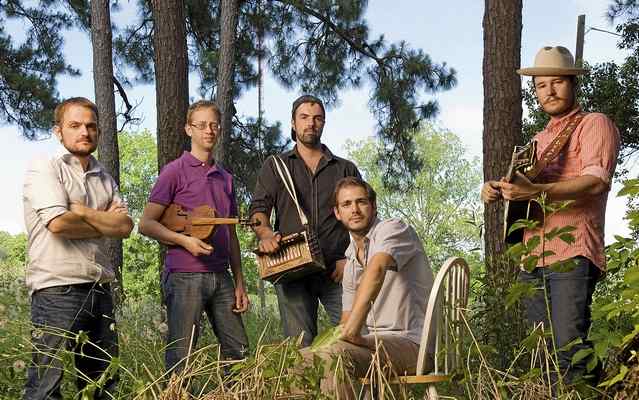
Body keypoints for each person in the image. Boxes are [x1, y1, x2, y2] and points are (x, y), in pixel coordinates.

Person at [481, 46, 620, 383]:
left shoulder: (594, 123)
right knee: (540, 354)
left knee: (569, 349)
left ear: (573, 84)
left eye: (557, 82)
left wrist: (535, 192)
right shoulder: (538, 140)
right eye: (542, 85)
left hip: (571, 250)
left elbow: (594, 183)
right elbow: (524, 189)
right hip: (532, 256)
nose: (550, 91)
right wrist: (498, 189)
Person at [22, 97, 134, 399]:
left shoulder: (104, 177)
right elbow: (59, 224)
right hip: (57, 290)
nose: (84, 131)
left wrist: (82, 211)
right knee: (45, 387)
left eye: (91, 125)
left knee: (103, 384)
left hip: (100, 290)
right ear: (58, 131)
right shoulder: (44, 167)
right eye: (75, 125)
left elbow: (125, 227)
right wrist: (104, 221)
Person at [138, 100, 249, 374]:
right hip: (184, 275)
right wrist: (184, 241)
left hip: (221, 275)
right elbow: (146, 224)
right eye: (201, 125)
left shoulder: (226, 179)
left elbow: (231, 234)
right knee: (181, 357)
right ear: (189, 129)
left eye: (214, 125)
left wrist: (239, 282)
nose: (208, 130)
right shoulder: (174, 171)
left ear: (220, 130)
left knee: (239, 353)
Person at [300, 176, 434, 399]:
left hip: (413, 344)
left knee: (335, 357)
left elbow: (377, 269)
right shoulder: (351, 259)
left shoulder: (392, 229)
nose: (355, 209)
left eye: (361, 202)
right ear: (337, 213)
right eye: (346, 204)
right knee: (300, 361)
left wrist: (351, 331)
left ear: (373, 206)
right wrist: (330, 341)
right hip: (373, 345)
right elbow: (345, 320)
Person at [249, 95, 362, 347]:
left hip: (338, 269)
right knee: (301, 348)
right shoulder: (275, 166)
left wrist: (351, 257)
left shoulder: (345, 169)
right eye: (304, 117)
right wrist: (266, 234)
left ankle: (353, 388)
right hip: (292, 271)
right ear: (292, 123)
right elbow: (258, 211)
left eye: (317, 118)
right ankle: (309, 390)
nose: (311, 123)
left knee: (352, 339)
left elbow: (363, 218)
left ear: (324, 123)